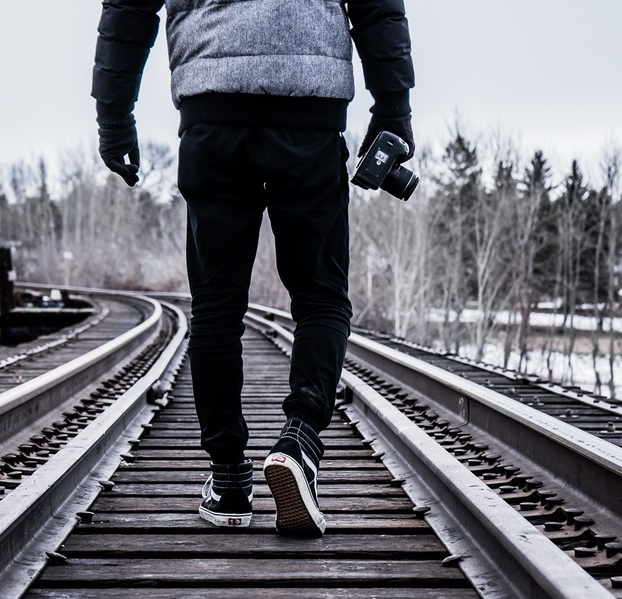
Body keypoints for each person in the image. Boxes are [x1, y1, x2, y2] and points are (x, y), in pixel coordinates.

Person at [93, 0, 414, 536]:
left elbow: (128, 8)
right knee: (321, 298)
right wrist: (393, 110)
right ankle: (300, 440)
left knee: (216, 308)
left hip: (212, 107)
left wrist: (114, 120)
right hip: (310, 109)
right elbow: (378, 8)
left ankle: (228, 482)